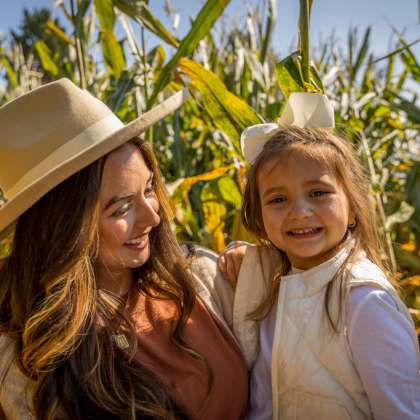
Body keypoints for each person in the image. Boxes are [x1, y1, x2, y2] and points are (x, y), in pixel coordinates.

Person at [0, 79, 248, 419]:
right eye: (121, 208)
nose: (153, 215)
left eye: (148, 189)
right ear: (63, 228)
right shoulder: (27, 356)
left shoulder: (200, 276)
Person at [219, 121, 420, 419]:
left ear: (353, 208)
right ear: (260, 217)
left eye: (318, 193)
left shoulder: (365, 302)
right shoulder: (266, 282)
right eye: (278, 199)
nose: (299, 211)